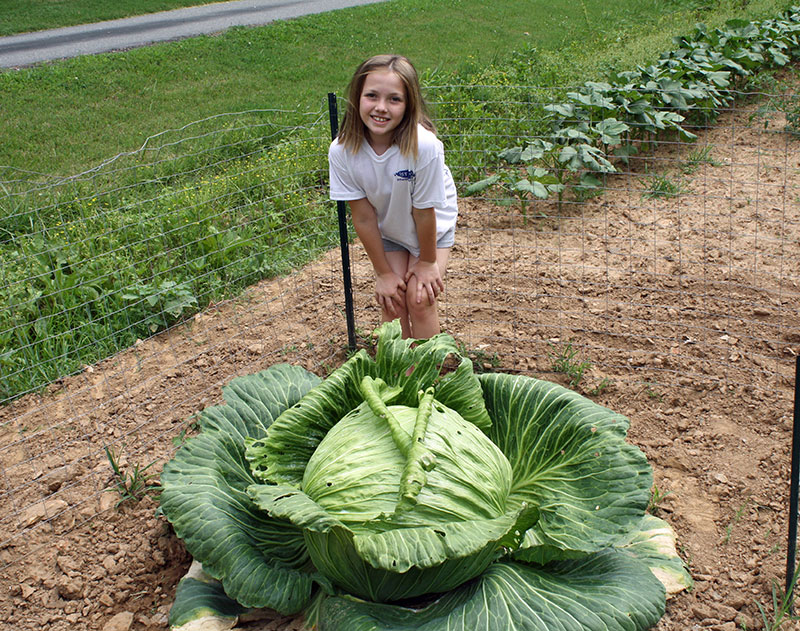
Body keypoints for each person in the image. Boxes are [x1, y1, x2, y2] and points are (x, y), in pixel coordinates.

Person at [329, 54, 458, 340]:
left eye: (395, 99)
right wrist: (383, 273)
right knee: (393, 301)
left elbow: (424, 212)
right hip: (390, 223)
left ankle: (428, 380)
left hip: (431, 227)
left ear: (409, 104)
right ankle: (401, 379)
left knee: (420, 299)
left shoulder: (424, 147)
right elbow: (363, 217)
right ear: (357, 96)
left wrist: (426, 262)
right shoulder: (342, 151)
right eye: (371, 96)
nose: (381, 108)